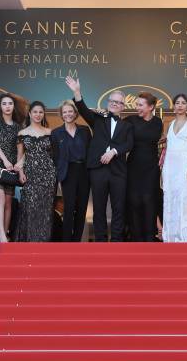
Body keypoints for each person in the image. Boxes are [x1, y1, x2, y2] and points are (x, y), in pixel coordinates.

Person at [65, 76, 133, 242]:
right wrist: (77, 92)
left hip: (118, 171)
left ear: (123, 106)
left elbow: (129, 144)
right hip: (98, 170)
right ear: (108, 102)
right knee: (99, 208)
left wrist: (114, 151)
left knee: (118, 208)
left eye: (118, 102)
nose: (114, 104)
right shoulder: (98, 119)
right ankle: (101, 241)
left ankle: (116, 240)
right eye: (112, 101)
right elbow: (82, 109)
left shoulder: (127, 126)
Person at [0, 93, 27, 242]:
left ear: (14, 106)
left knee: (9, 202)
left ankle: (5, 232)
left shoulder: (18, 125)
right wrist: (4, 160)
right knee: (0, 198)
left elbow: (21, 148)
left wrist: (18, 164)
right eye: (4, 103)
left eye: (10, 103)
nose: (7, 106)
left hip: (12, 167)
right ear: (0, 106)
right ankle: (1, 235)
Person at [13, 101, 56, 242]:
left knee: (45, 211)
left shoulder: (50, 133)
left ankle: (43, 245)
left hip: (48, 175)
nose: (38, 115)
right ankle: (30, 245)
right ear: (30, 114)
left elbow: (55, 155)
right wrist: (21, 173)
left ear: (44, 114)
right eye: (35, 112)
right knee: (30, 209)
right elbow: (20, 156)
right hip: (30, 174)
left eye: (41, 112)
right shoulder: (22, 133)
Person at [51, 100, 91, 242]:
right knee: (68, 209)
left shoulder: (85, 131)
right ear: (61, 114)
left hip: (84, 173)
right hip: (67, 173)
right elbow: (55, 158)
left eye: (70, 111)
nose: (68, 114)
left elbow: (91, 153)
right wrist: (59, 178)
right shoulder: (56, 133)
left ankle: (76, 241)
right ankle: (67, 243)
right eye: (65, 112)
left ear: (75, 113)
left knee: (81, 209)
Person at [126, 92, 163, 242]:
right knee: (134, 201)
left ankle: (150, 238)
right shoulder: (130, 120)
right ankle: (136, 238)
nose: (137, 108)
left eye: (140, 105)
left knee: (149, 201)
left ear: (151, 107)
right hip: (133, 166)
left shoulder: (158, 122)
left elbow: (158, 140)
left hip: (151, 167)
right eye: (137, 104)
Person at [162, 94, 187, 243]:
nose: (180, 105)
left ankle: (184, 240)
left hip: (185, 165)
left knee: (184, 202)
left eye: (183, 103)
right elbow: (167, 146)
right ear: (173, 106)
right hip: (169, 167)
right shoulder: (169, 124)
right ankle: (169, 238)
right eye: (177, 103)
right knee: (169, 200)